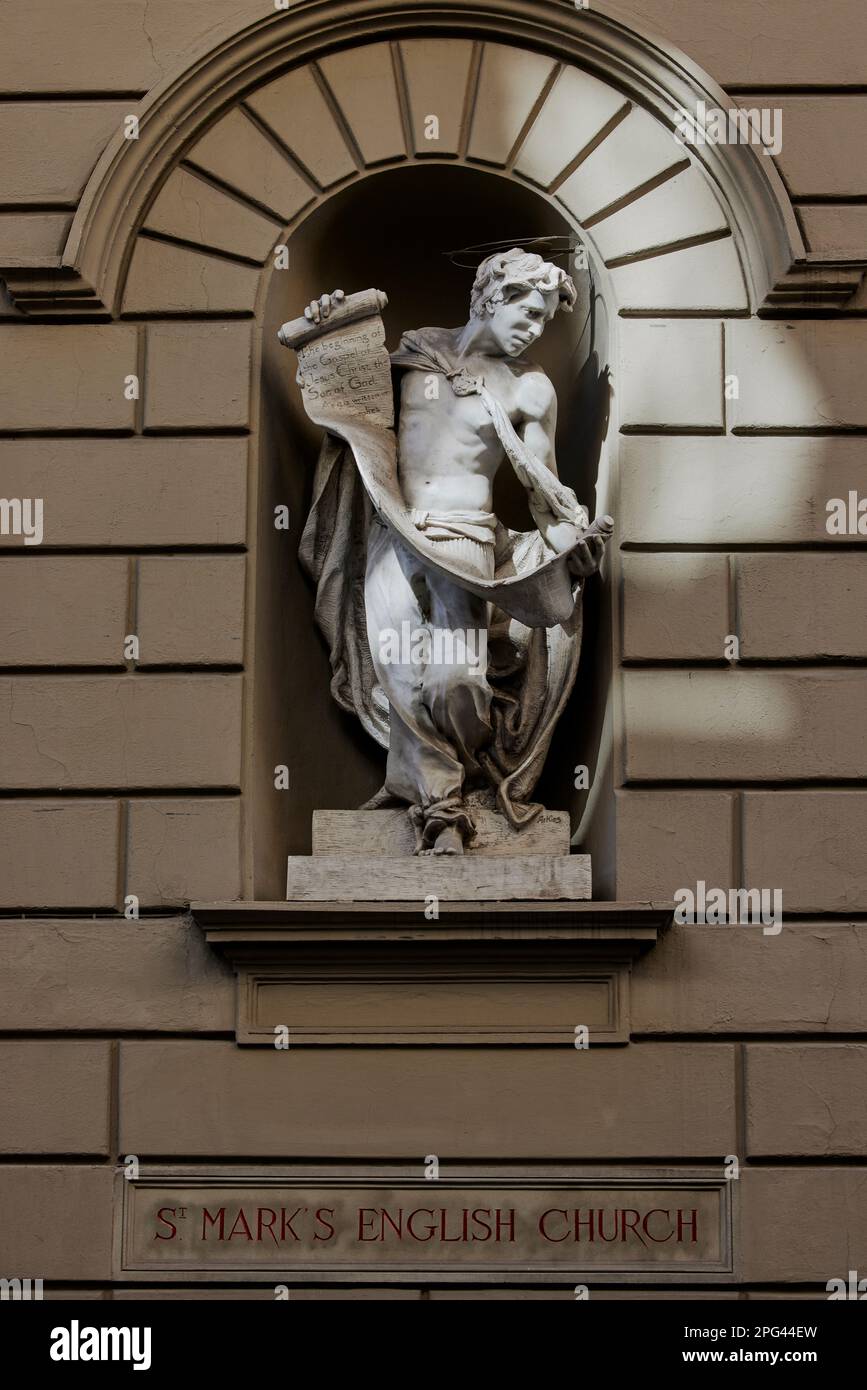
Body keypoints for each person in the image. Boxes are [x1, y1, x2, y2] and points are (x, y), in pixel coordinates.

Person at [299, 250, 608, 855]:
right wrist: (325, 325)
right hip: (397, 534)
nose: (536, 325)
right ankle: (441, 810)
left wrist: (567, 544)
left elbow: (543, 489)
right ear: (491, 296)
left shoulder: (530, 388)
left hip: (464, 540)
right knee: (399, 676)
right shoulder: (413, 357)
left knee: (454, 680)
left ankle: (464, 782)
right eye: (527, 307)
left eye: (546, 317)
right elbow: (349, 405)